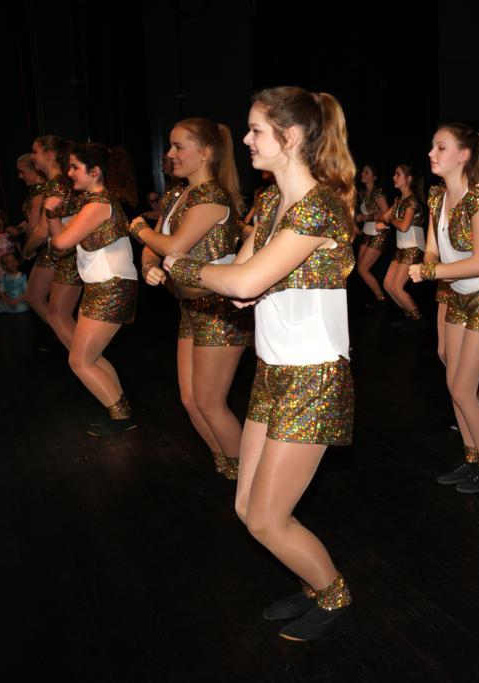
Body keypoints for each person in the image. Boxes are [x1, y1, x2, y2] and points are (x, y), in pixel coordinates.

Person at [164, 86, 357, 641]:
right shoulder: (272, 203)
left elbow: (245, 280)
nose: (245, 140)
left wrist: (182, 265)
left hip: (314, 378)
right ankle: (315, 584)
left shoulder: (320, 206)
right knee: (248, 508)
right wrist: (221, 278)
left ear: (290, 137)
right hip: (273, 373)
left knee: (269, 519)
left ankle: (334, 594)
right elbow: (240, 278)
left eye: (255, 130)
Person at [132, 117, 253, 491]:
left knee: (210, 402)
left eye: (178, 146)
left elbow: (173, 245)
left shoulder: (212, 197)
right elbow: (156, 249)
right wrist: (149, 266)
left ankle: (247, 481)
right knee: (190, 400)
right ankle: (227, 465)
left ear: (206, 152)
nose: (170, 154)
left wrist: (137, 228)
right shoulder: (176, 195)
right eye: (170, 145)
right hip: (190, 308)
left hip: (219, 311)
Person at [409, 123, 479, 493]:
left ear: (463, 155)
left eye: (441, 147)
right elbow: (433, 248)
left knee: (464, 388)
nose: (431, 154)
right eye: (432, 146)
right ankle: (471, 458)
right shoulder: (437, 196)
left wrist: (430, 271)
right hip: (456, 293)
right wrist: (430, 262)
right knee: (454, 383)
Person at [46, 143, 139, 435]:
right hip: (103, 286)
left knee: (80, 360)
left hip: (112, 287)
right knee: (90, 358)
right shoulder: (92, 203)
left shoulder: (98, 205)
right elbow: (62, 245)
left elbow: (60, 243)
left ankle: (121, 417)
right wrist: (54, 218)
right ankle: (121, 411)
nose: (69, 172)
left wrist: (51, 216)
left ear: (94, 171)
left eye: (75, 167)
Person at [26, 135, 81, 347]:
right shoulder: (61, 182)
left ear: (49, 155)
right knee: (55, 312)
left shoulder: (56, 184)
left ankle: (82, 356)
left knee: (58, 315)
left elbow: (42, 231)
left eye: (35, 152)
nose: (32, 157)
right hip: (63, 252)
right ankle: (77, 352)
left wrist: (26, 249)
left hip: (62, 253)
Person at [379, 163, 427, 330]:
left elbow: (404, 226)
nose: (394, 177)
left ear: (409, 179)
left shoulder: (412, 201)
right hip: (402, 248)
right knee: (388, 285)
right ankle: (410, 315)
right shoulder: (398, 200)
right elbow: (384, 216)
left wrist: (390, 219)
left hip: (413, 247)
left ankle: (419, 319)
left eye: (398, 174)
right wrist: (382, 220)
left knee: (396, 287)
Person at [353, 164, 390, 306]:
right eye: (363, 171)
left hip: (379, 233)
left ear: (374, 177)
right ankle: (377, 296)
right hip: (367, 233)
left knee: (363, 269)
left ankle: (381, 299)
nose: (362, 174)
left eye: (366, 172)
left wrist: (364, 218)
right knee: (360, 269)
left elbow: (387, 214)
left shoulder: (377, 193)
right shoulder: (363, 193)